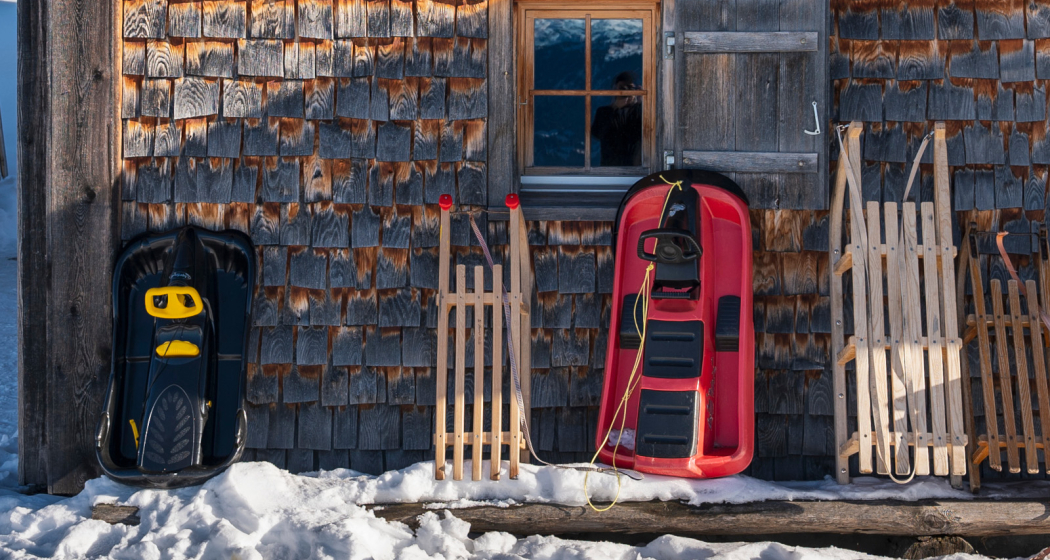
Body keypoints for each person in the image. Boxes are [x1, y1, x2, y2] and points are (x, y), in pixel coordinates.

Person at [590, 71, 643, 166]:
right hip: (610, 170)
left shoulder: (639, 112)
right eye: (622, 88)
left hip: (634, 169)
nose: (625, 92)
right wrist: (616, 107)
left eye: (630, 88)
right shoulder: (604, 112)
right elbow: (598, 133)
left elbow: (648, 129)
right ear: (614, 90)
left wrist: (640, 104)